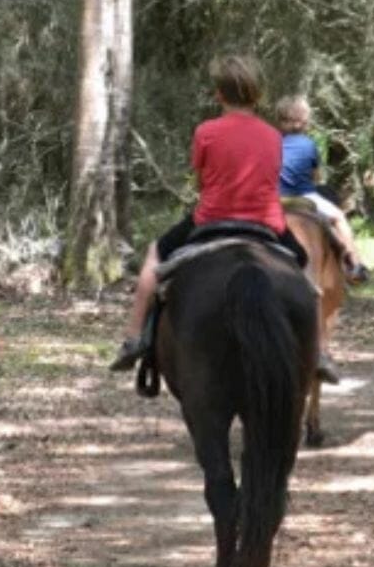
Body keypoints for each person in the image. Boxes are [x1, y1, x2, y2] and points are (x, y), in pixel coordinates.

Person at [110, 55, 338, 384]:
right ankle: (318, 351)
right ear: (259, 95)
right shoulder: (274, 137)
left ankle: (134, 339)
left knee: (154, 254)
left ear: (219, 94)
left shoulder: (206, 131)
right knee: (305, 273)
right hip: (267, 222)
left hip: (210, 219)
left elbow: (202, 183)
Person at [276, 94, 369, 286]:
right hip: (304, 196)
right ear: (304, 120)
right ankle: (355, 265)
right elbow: (316, 177)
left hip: (275, 198)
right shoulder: (309, 144)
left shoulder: (272, 142)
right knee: (338, 218)